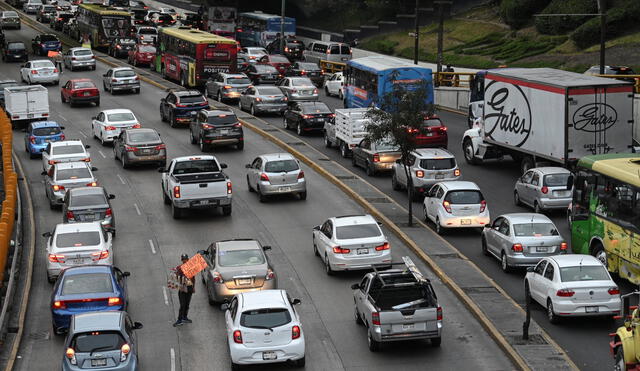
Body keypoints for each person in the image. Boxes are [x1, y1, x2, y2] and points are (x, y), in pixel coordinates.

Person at [173, 254, 195, 327]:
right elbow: (175, 277)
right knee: (182, 305)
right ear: (181, 260)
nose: (184, 260)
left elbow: (193, 278)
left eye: (185, 259)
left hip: (189, 288)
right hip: (182, 289)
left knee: (187, 304)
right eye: (183, 259)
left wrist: (193, 287)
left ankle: (185, 317)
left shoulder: (191, 267)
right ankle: (179, 319)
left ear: (188, 259)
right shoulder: (179, 268)